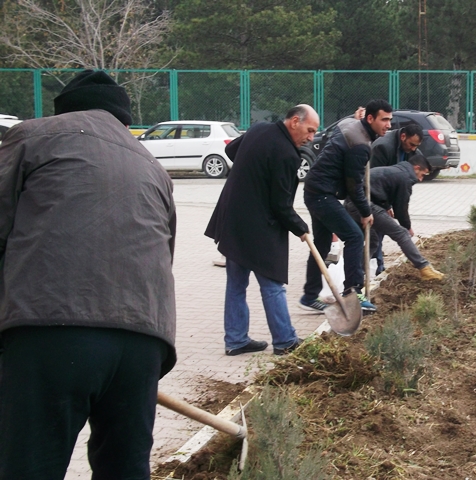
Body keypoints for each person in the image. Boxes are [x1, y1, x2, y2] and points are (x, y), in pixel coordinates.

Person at [0, 69, 177, 480]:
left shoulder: (33, 136)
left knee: (30, 466)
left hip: (53, 331)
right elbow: (163, 257)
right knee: (125, 469)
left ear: (64, 109)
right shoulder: (153, 166)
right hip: (143, 344)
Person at [205, 105, 319, 356]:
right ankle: (285, 340)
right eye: (309, 130)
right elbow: (281, 205)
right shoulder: (287, 155)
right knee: (273, 284)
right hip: (259, 227)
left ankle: (235, 340)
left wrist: (252, 170)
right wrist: (301, 228)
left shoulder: (259, 130)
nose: (311, 137)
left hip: (233, 220)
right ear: (294, 122)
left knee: (236, 283)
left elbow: (231, 149)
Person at [300, 99, 393, 314]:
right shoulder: (360, 145)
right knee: (354, 237)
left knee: (322, 245)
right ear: (370, 119)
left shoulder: (351, 126)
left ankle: (309, 295)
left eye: (390, 120)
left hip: (315, 190)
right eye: (384, 120)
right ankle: (353, 292)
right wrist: (365, 211)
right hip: (323, 195)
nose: (388, 125)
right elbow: (354, 184)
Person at [345, 155, 445, 281]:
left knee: (373, 240)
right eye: (422, 175)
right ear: (416, 167)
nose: (420, 179)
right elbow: (401, 209)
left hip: (352, 202)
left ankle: (357, 275)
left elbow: (381, 187)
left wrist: (386, 206)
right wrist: (407, 227)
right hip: (362, 204)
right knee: (402, 234)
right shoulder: (405, 178)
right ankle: (425, 268)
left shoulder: (397, 171)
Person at [370, 124, 425, 274]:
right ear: (403, 137)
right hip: (371, 196)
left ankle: (374, 267)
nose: (414, 149)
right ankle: (375, 269)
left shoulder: (412, 151)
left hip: (388, 194)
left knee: (379, 233)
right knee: (377, 233)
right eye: (411, 144)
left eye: (416, 146)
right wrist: (387, 206)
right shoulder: (383, 147)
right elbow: (375, 179)